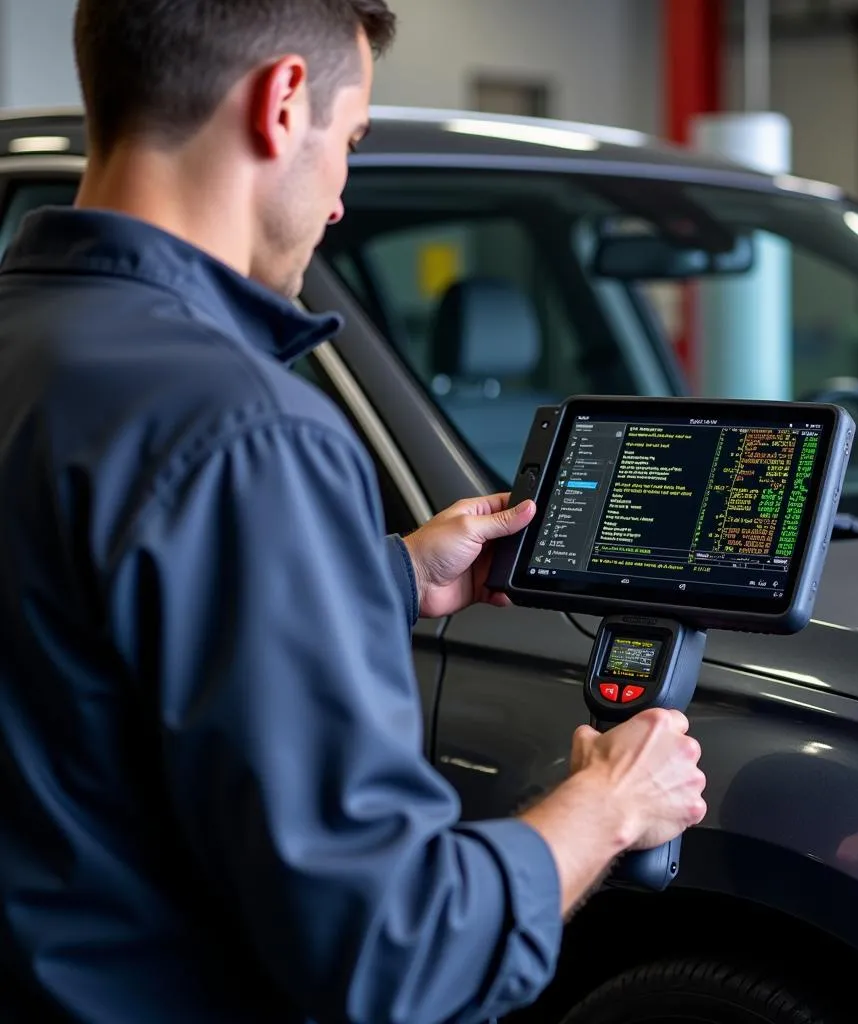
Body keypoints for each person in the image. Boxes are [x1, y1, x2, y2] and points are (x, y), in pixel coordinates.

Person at [0, 1, 707, 1022]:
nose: (338, 198)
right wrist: (606, 806)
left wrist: (385, 574)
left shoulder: (34, 345)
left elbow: (72, 633)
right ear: (284, 102)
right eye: (352, 139)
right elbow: (394, 948)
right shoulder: (246, 430)